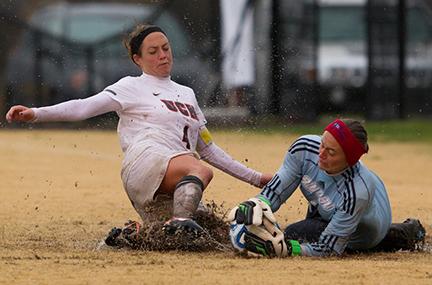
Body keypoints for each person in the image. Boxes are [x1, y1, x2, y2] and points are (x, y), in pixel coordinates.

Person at [6, 24, 272, 238]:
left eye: (166, 48)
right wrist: (36, 113)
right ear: (137, 59)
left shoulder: (187, 94)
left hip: (172, 177)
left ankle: (131, 236)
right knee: (199, 171)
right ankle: (180, 221)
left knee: (212, 232)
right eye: (153, 51)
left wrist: (256, 178)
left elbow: (208, 148)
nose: (163, 55)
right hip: (145, 160)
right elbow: (83, 108)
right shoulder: (131, 86)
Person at [230, 118, 426, 257]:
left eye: (330, 151)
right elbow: (278, 188)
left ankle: (404, 233)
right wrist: (259, 202)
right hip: (329, 204)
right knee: (310, 223)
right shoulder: (305, 148)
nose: (320, 153)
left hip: (366, 230)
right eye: (322, 144)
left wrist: (288, 249)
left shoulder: (357, 193)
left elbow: (329, 248)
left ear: (349, 160)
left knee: (296, 233)